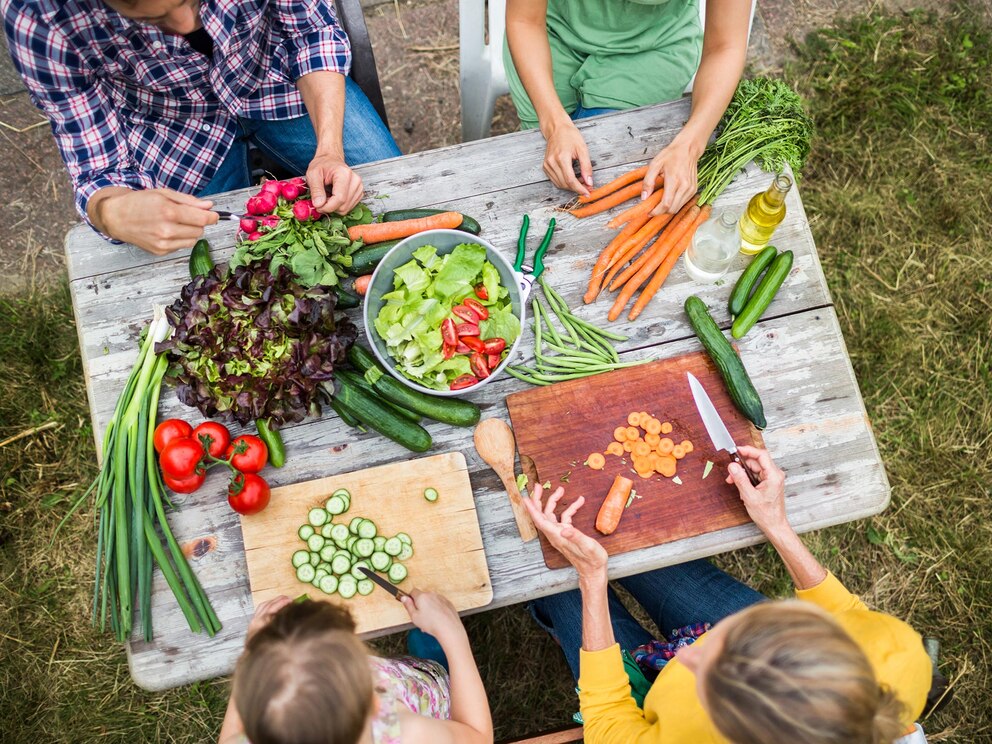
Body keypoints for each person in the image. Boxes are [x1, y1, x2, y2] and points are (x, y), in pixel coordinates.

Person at [522, 445, 932, 743]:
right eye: (737, 644)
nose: (690, 653)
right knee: (645, 552)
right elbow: (846, 614)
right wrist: (776, 523)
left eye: (711, 679)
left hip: (648, 708)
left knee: (552, 580)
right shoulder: (895, 662)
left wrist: (591, 580)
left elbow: (609, 721)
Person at [2, 0, 401, 255]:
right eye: (151, 15)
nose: (185, 21)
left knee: (394, 195)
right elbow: (97, 164)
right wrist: (112, 211)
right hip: (172, 126)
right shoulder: (36, 16)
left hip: (280, 78)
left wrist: (329, 148)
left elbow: (310, 34)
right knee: (199, 261)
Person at [505, 0, 751, 214]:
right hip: (550, 32)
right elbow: (525, 20)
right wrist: (555, 125)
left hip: (652, 46)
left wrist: (690, 146)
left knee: (604, 171)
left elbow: (725, 46)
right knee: (542, 167)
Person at [218, 589, 493, 744]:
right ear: (375, 699)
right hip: (423, 702)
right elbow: (478, 736)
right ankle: (440, 666)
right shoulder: (410, 733)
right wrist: (452, 635)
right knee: (436, 676)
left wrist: (254, 650)